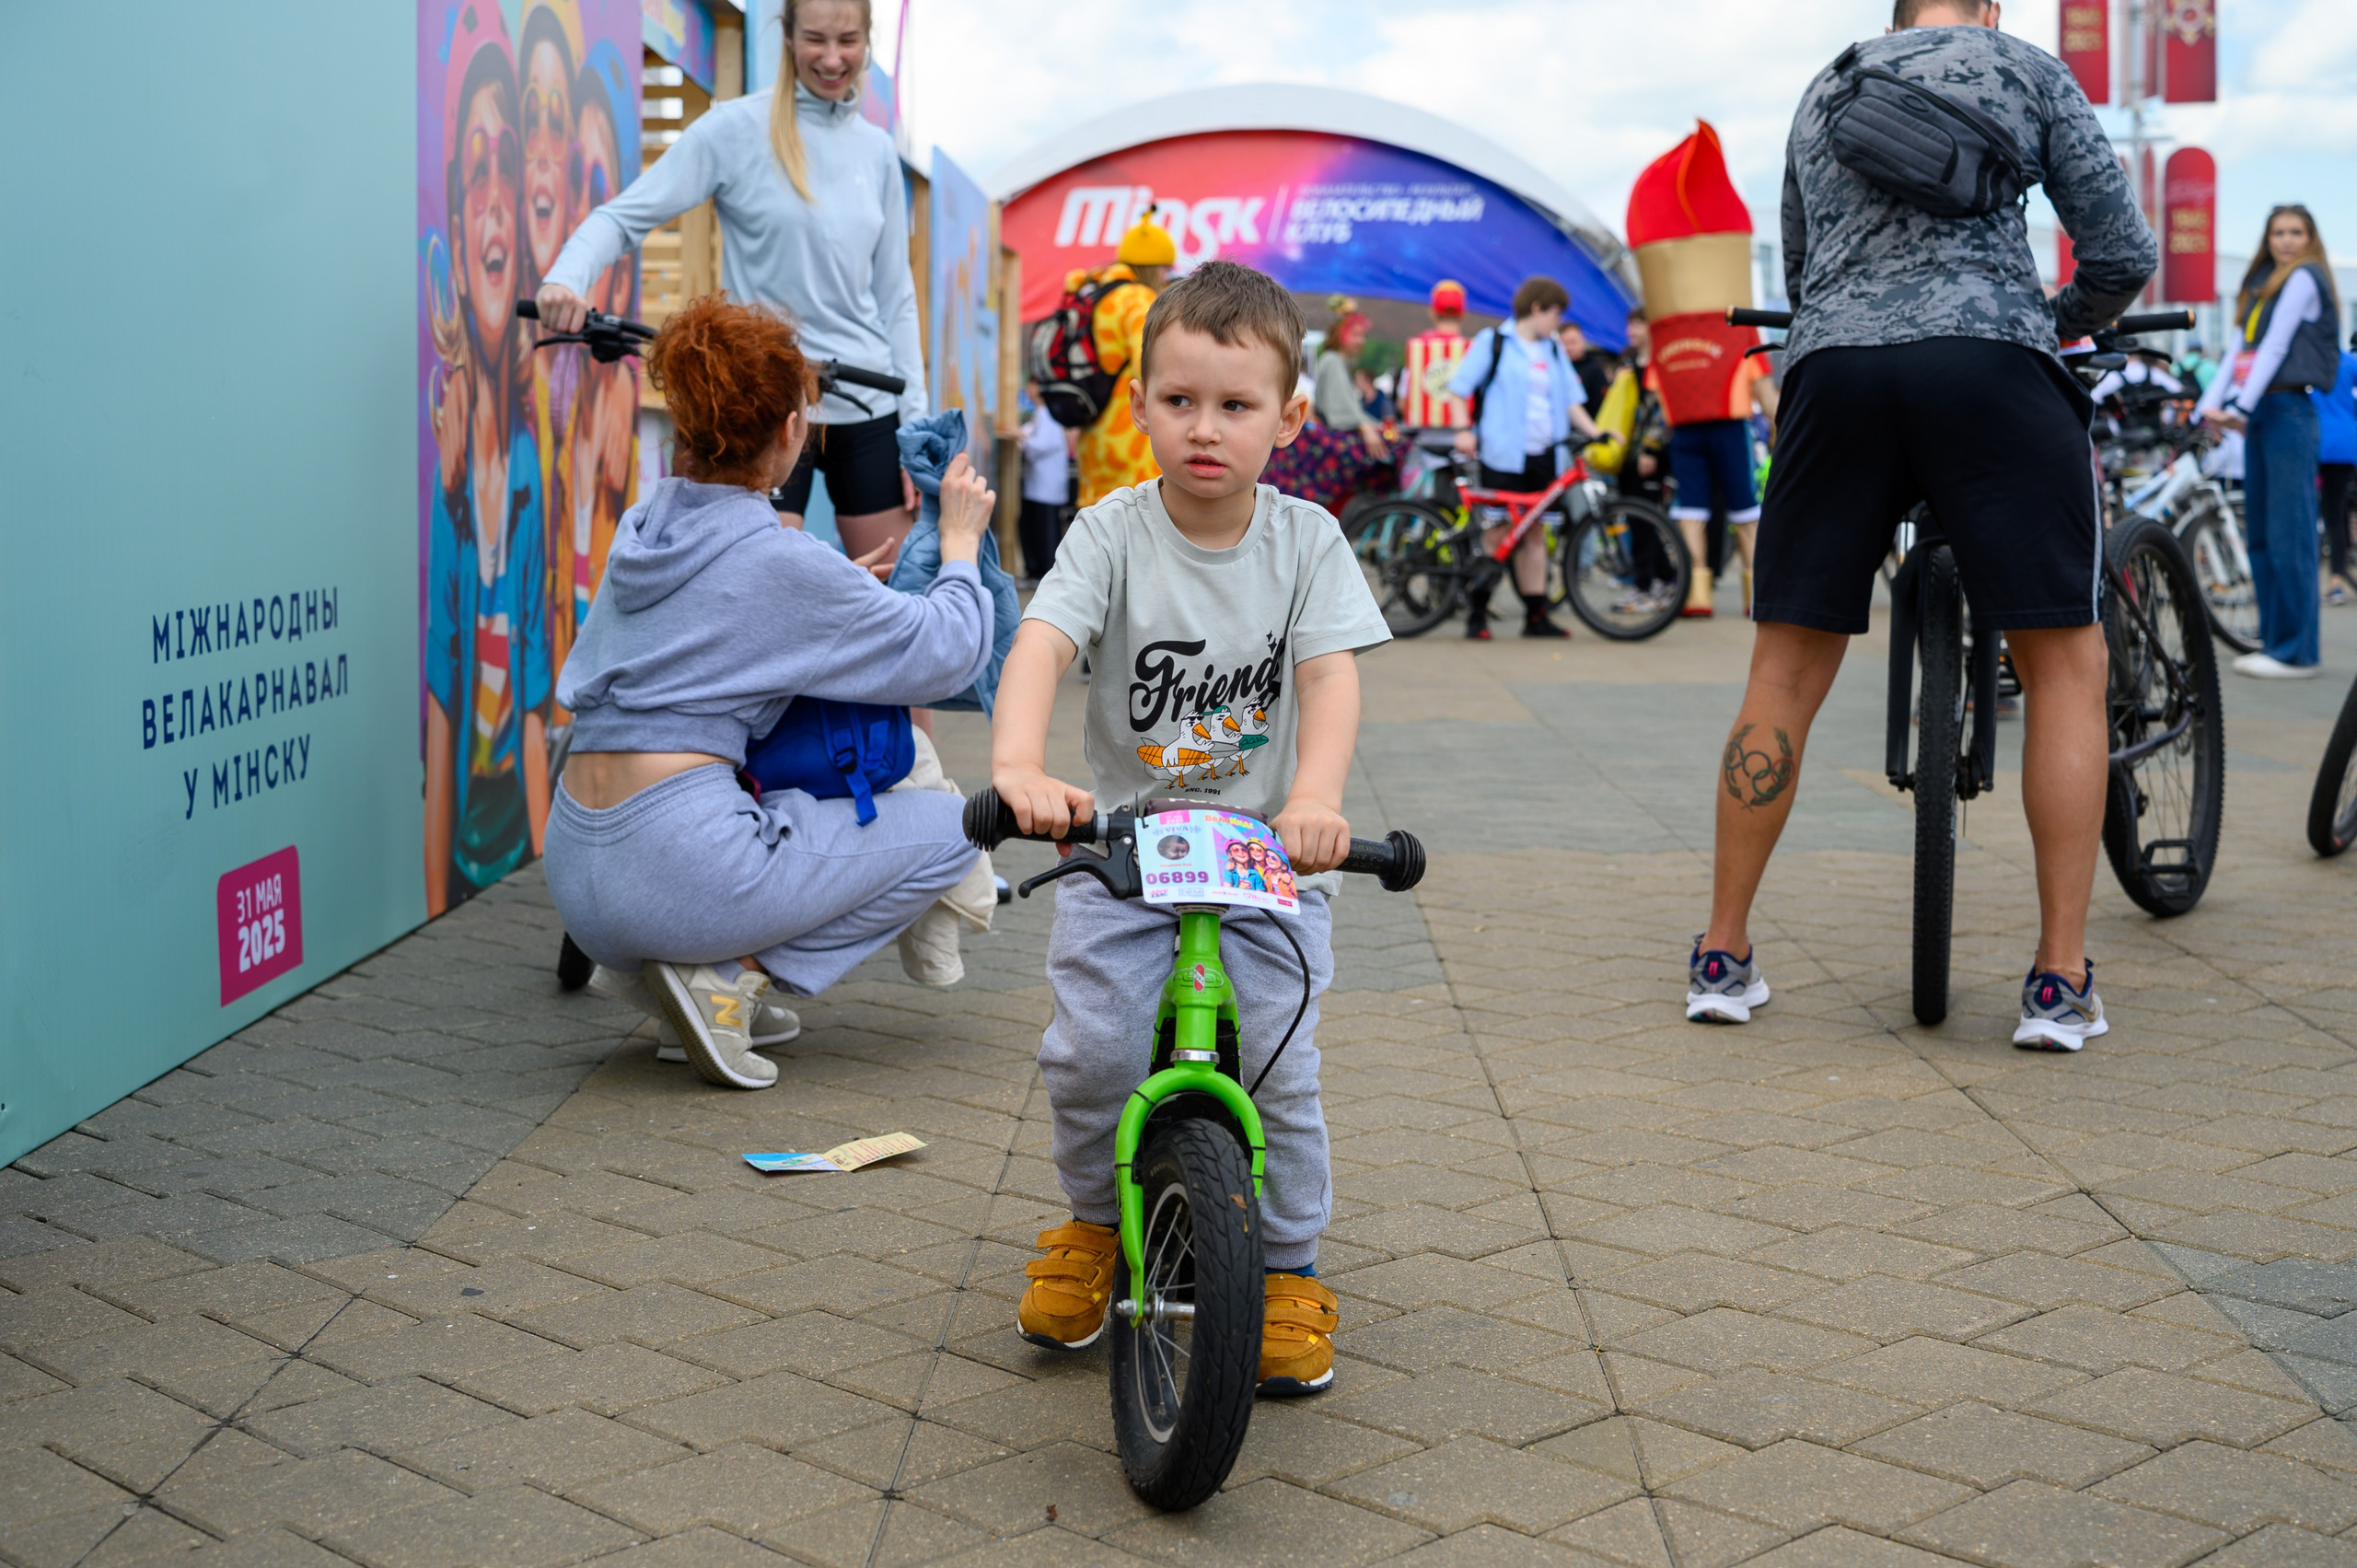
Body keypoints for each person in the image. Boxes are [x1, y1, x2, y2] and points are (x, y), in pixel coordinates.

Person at [1689, 0, 2156, 1051]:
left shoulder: (1828, 85)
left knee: (1783, 669)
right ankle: (2057, 981)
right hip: (1989, 365)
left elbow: (1801, 269)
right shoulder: (2023, 67)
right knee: (2062, 664)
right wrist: (2049, 321)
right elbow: (2121, 251)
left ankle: (1721, 956)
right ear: (1988, 8)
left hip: (1836, 373)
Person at [990, 260, 1392, 1395]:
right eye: (1179, 401)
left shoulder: (1307, 540)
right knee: (1094, 1049)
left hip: (1268, 850)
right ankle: (1092, 1218)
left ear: (1289, 417)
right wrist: (1018, 766)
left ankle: (1288, 1263)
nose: (1204, 428)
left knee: (1279, 1062)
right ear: (1139, 405)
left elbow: (1330, 675)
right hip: (1125, 846)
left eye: (1234, 404)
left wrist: (1315, 798)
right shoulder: (1109, 533)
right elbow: (1042, 644)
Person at [542, 296, 996, 1091]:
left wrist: (833, 593)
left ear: (685, 425)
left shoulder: (644, 528)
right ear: (791, 430)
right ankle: (730, 978)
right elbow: (950, 652)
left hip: (577, 870)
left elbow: (716, 622)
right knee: (964, 828)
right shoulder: (781, 560)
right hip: (679, 868)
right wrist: (959, 542)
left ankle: (688, 979)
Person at [536, 0, 925, 563]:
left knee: (897, 593)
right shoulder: (734, 129)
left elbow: (897, 299)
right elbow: (622, 217)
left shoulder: (878, 151)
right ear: (787, 35)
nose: (832, 59)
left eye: (848, 41)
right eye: (815, 39)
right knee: (755, 591)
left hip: (866, 401)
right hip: (764, 398)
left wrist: (916, 430)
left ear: (868, 39)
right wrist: (564, 281)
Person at [426, 6, 552, 917]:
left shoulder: (528, 469)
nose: (499, 197)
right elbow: (441, 711)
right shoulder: (449, 469)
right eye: (478, 173)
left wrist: (553, 886)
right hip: (462, 854)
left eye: (508, 166)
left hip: (518, 843)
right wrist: (434, 908)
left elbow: (536, 704)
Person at [2206, 206, 2338, 678]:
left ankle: (2297, 652)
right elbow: (2239, 350)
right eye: (2278, 232)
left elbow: (2276, 346)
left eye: (2296, 232)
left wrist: (2238, 407)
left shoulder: (2304, 277)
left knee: (2290, 534)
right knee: (2260, 535)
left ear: (2310, 237)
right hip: (2261, 412)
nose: (2286, 240)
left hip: (2286, 411)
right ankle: (2275, 641)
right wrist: (2208, 405)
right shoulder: (2262, 284)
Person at [1448, 275, 1603, 639]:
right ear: (1536, 308)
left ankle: (1536, 616)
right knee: (1498, 532)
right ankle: (1477, 614)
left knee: (1535, 533)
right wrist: (1462, 429)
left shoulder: (1553, 351)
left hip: (1546, 456)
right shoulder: (1494, 342)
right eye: (1555, 313)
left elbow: (1571, 401)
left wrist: (1597, 434)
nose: (1557, 322)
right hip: (1502, 454)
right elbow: (1458, 389)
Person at [1657, 335, 1780, 618]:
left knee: (1691, 511)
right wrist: (1778, 424)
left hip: (1685, 425)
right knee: (1745, 510)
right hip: (1730, 425)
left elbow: (1659, 388)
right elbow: (1762, 385)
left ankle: (1695, 595)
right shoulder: (1740, 332)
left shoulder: (1669, 329)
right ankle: (1757, 595)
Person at [1071, 215, 1172, 508]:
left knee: (1097, 522)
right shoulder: (1138, 299)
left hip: (1093, 438)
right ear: (1153, 268)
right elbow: (1151, 368)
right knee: (1136, 524)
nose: (1166, 277)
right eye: (1165, 268)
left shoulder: (1097, 296)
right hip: (1130, 443)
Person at [1399, 280, 1474, 502]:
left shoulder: (1416, 350)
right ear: (1463, 314)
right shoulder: (1472, 352)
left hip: (1428, 447)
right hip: (1465, 445)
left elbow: (1403, 404)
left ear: (1432, 313)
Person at [1016, 386, 1074, 583]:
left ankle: (1045, 573)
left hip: (1046, 483)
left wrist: (1022, 439)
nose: (1028, 389)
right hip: (1041, 483)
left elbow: (1041, 444)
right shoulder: (1042, 412)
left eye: (1032, 385)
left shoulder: (1047, 412)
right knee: (1035, 526)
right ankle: (1037, 571)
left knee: (1045, 529)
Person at [2318, 331, 2357, 607]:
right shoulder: (2349, 362)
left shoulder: (2310, 361)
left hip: (2316, 442)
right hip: (2345, 443)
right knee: (2339, 510)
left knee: (2327, 514)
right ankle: (2337, 578)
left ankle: (2333, 580)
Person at [1557, 319, 1616, 415]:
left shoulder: (1594, 369)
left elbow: (1603, 405)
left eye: (1572, 342)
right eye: (1564, 343)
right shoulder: (1556, 369)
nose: (1568, 348)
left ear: (1582, 340)